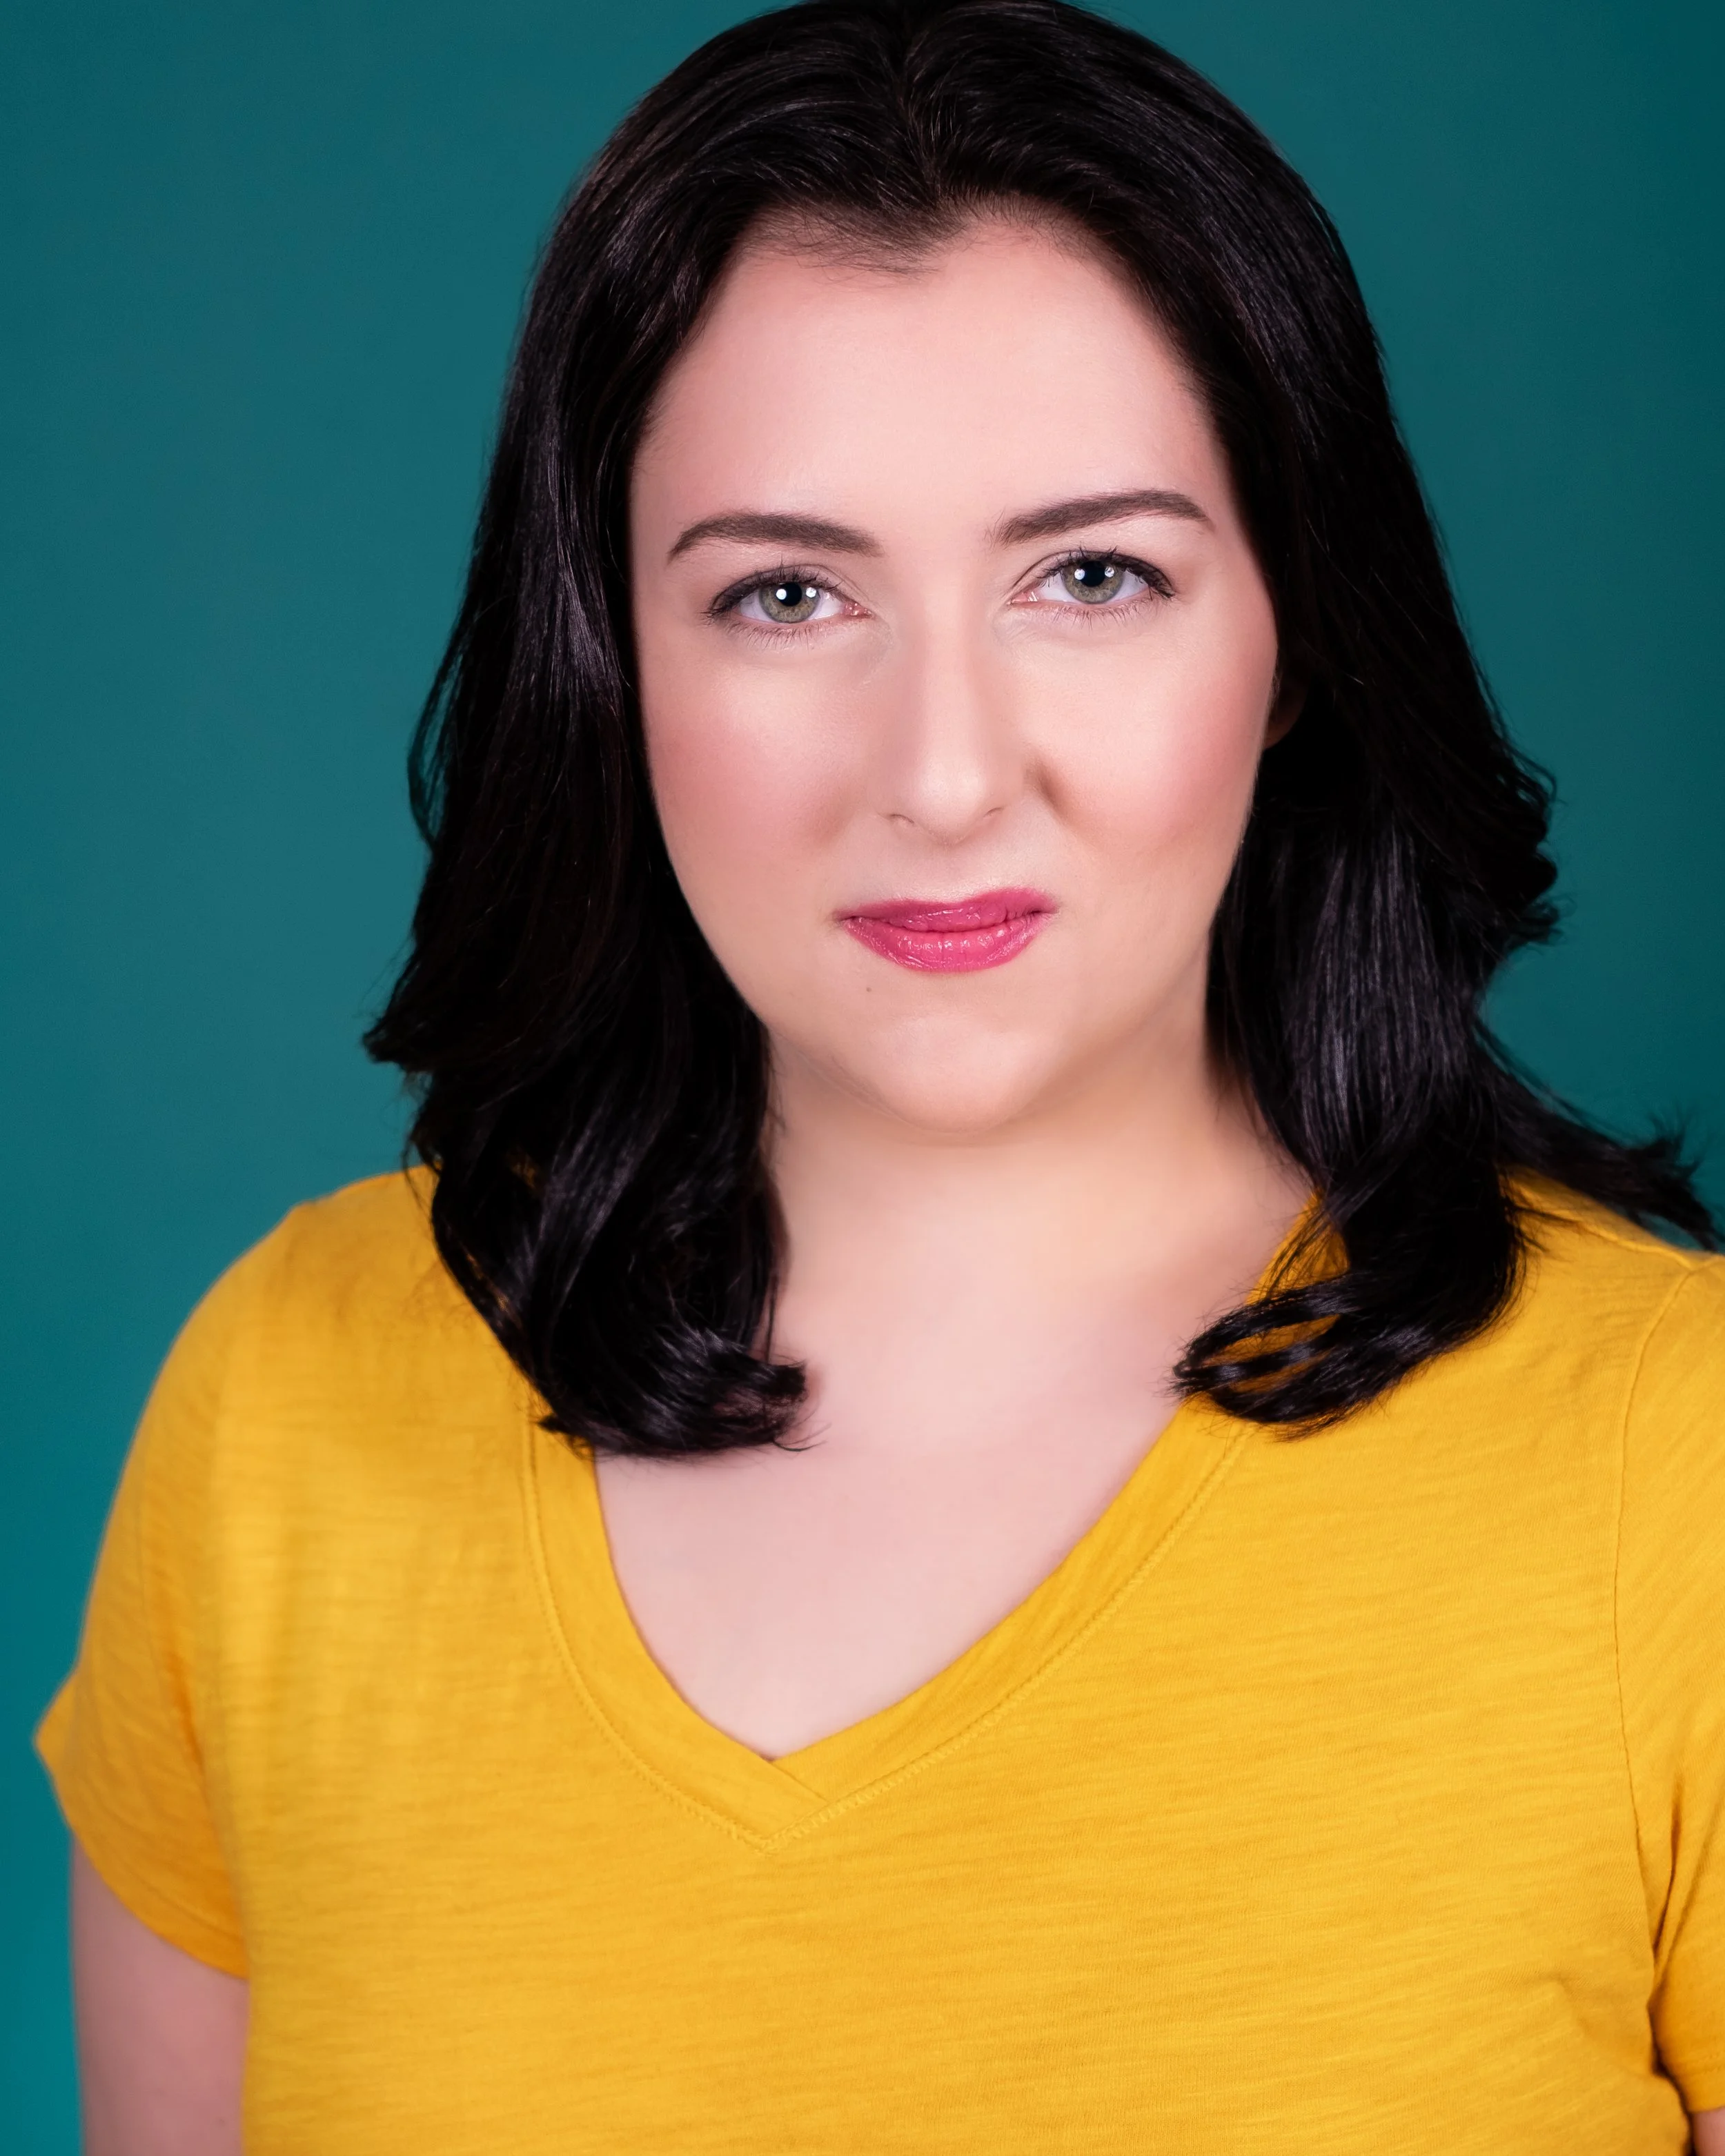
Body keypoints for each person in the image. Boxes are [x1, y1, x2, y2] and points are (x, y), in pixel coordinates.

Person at [40, 1, 1725, 2148]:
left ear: (1293, 636)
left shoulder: (1674, 1475)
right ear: (610, 659)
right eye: (783, 594)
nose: (940, 775)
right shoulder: (281, 1416)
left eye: (1091, 574)